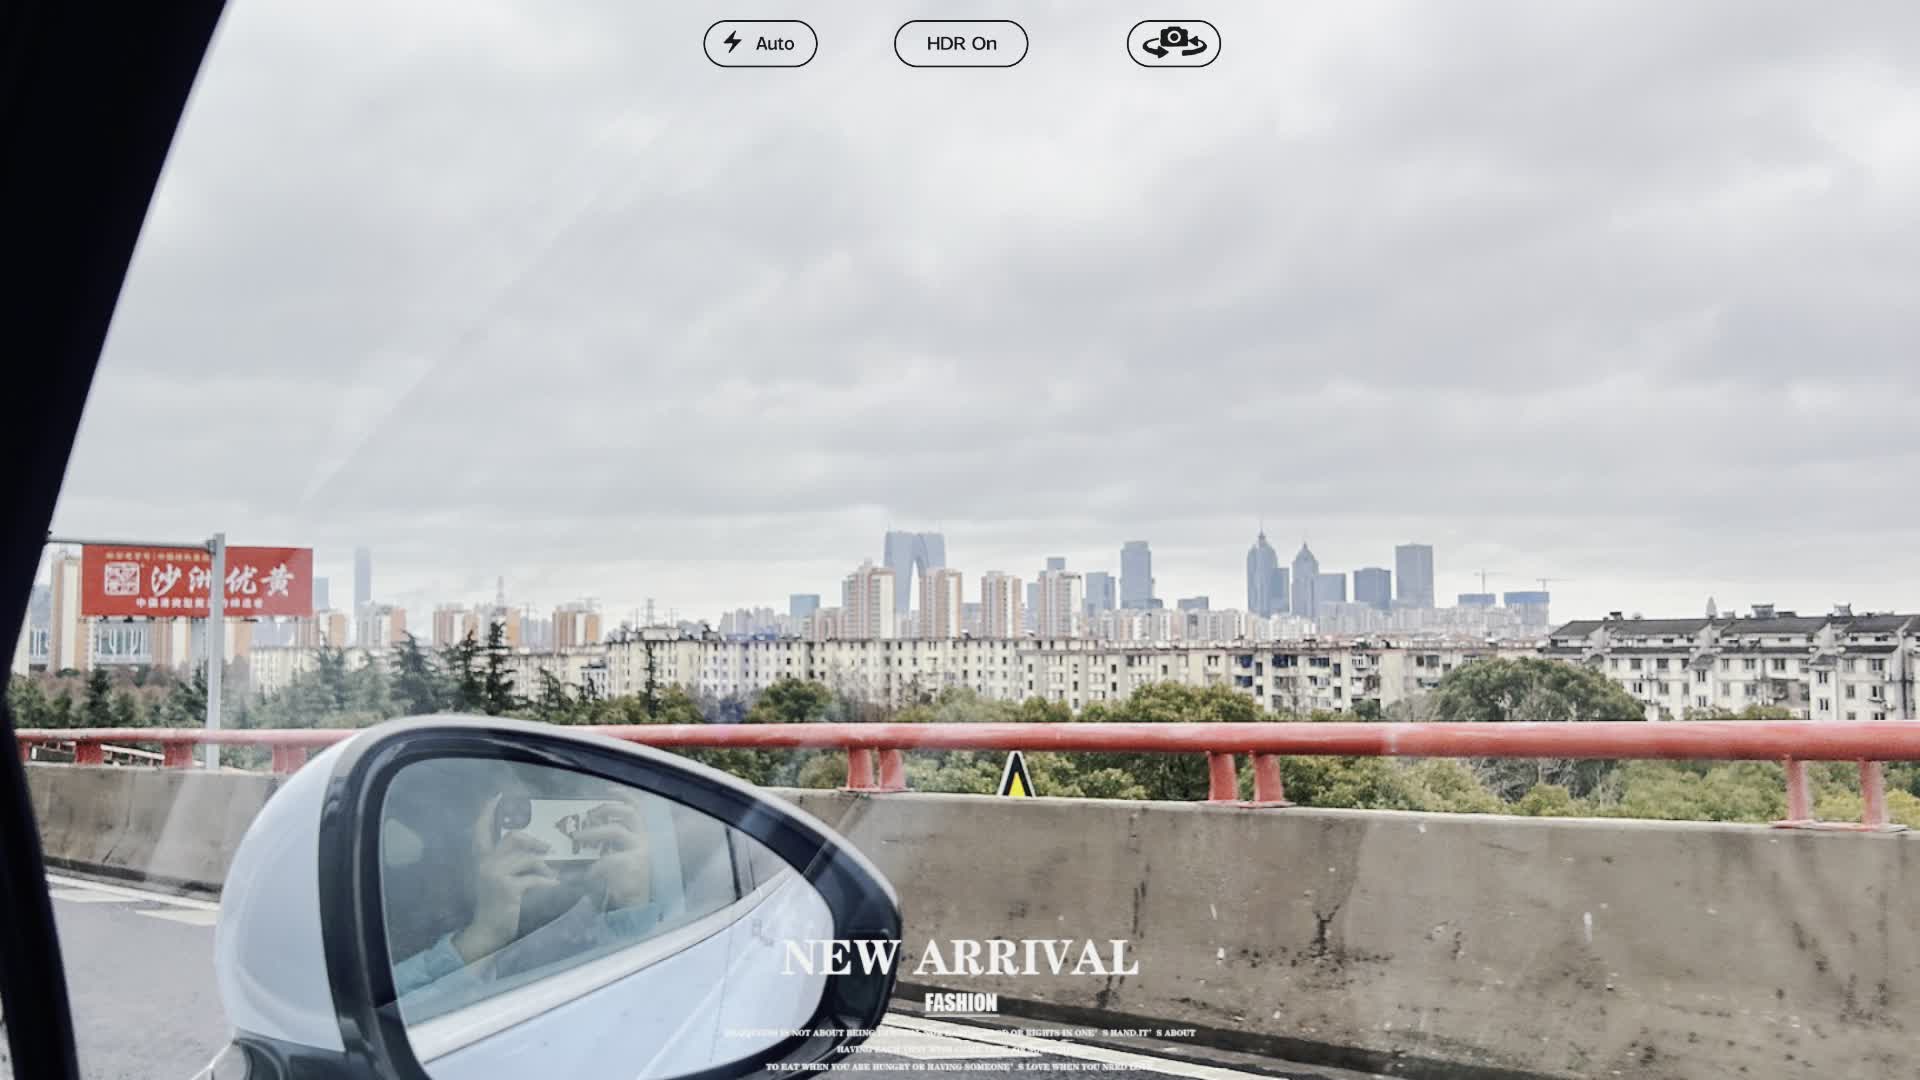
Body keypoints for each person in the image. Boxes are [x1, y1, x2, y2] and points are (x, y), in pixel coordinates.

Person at [390, 789, 668, 1004]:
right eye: (509, 828)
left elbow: (642, 1007)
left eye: (567, 825)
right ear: (467, 849)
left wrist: (630, 907)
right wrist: (485, 934)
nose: (540, 845)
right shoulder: (407, 930)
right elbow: (390, 1014)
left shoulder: (589, 921)